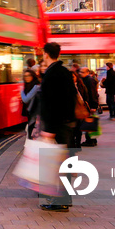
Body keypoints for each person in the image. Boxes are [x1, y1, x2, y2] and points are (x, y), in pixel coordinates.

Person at [38, 42, 76, 212]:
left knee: (57, 163)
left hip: (57, 125)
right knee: (64, 162)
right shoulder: (65, 72)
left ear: (46, 54)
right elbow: (70, 98)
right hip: (67, 123)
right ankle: (64, 197)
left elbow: (52, 104)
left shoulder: (52, 74)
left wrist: (49, 129)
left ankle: (60, 199)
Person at [79, 67, 99, 146]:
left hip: (90, 105)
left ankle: (90, 140)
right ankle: (92, 140)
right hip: (89, 104)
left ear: (87, 72)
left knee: (89, 123)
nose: (80, 73)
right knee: (89, 123)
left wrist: (93, 106)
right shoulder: (86, 79)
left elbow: (92, 93)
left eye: (82, 72)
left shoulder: (89, 80)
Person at [20, 69, 40, 139]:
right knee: (31, 131)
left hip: (35, 113)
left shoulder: (36, 87)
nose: (27, 78)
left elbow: (26, 99)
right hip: (31, 112)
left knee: (32, 131)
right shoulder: (28, 86)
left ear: (33, 76)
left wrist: (21, 91)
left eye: (28, 76)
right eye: (25, 76)